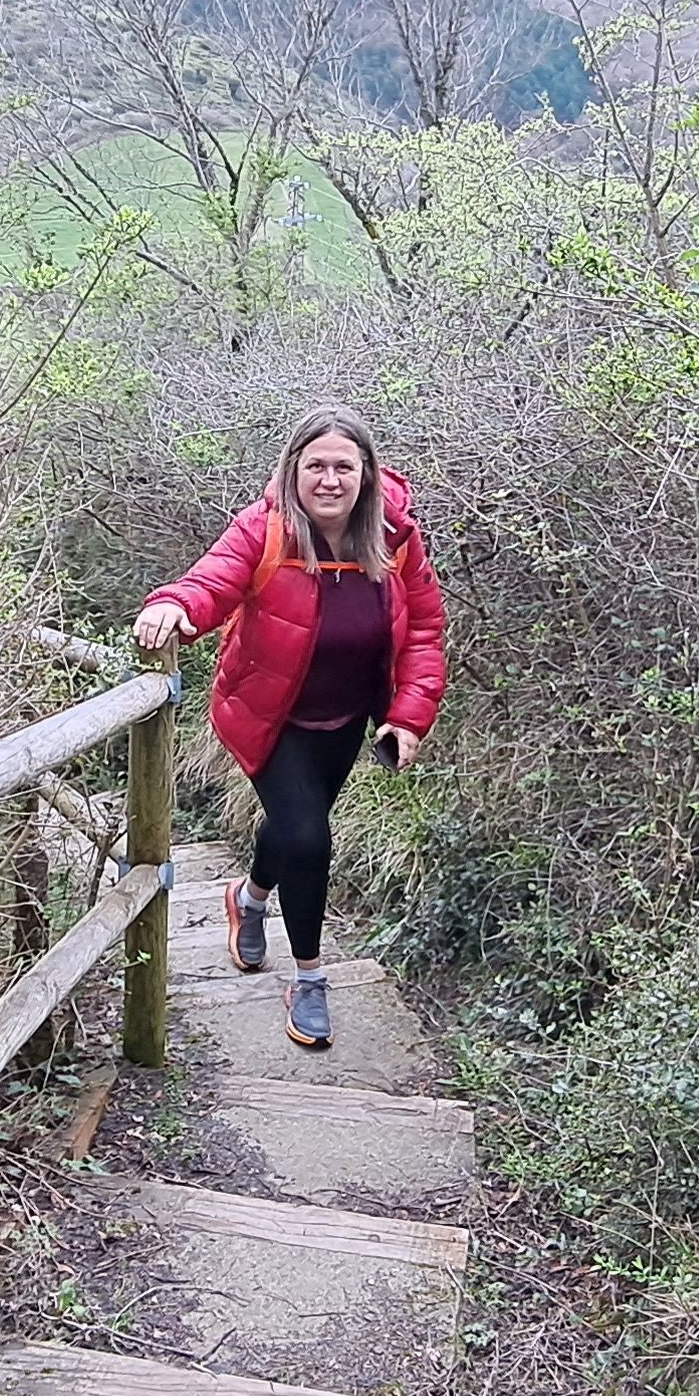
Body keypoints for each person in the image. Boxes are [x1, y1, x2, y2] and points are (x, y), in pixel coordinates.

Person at [132, 405, 449, 1050]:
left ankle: (248, 901)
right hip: (267, 715)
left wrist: (407, 716)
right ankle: (308, 978)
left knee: (295, 828)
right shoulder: (265, 530)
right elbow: (212, 581)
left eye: (343, 466)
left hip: (347, 717)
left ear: (365, 474)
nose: (329, 480)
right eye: (316, 466)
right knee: (309, 837)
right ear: (293, 471)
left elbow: (423, 629)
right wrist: (172, 605)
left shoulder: (394, 539)